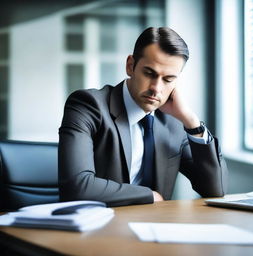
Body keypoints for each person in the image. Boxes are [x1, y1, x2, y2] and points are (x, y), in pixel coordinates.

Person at [58, 27, 228, 207]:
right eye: (149, 73)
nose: (156, 87)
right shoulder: (88, 105)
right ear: (130, 66)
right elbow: (76, 188)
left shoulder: (174, 122)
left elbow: (215, 190)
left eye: (168, 79)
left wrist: (192, 123)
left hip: (155, 229)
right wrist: (149, 195)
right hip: (99, 228)